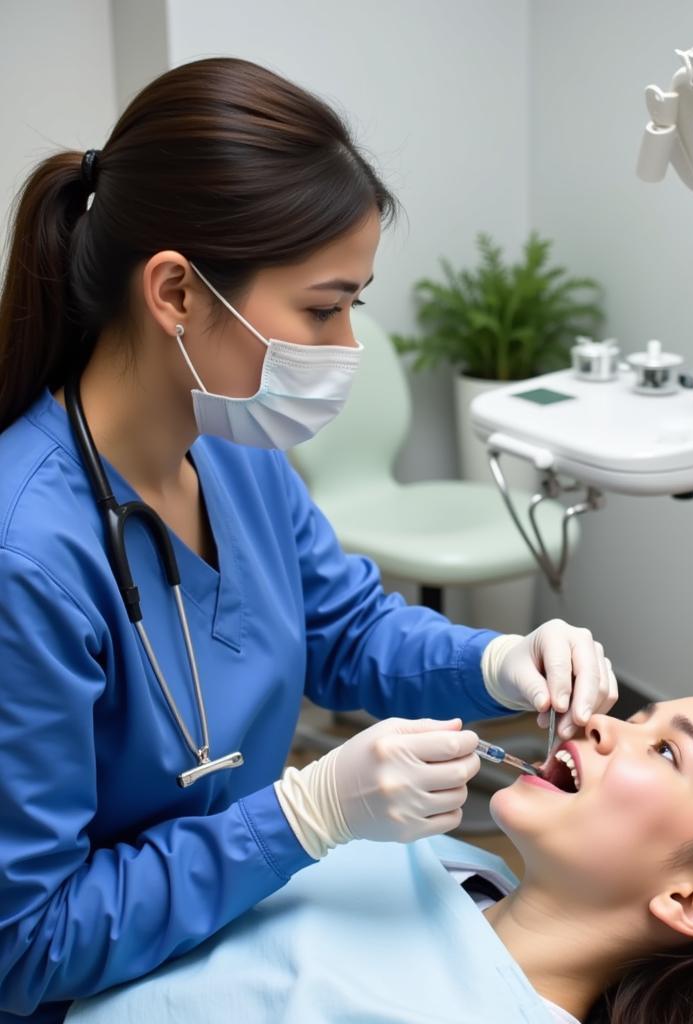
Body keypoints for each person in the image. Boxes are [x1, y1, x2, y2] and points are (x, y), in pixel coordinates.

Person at [0, 57, 618, 1023]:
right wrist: (301, 816)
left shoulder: (230, 447)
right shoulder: (26, 557)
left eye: (353, 308)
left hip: (226, 940)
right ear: (176, 294)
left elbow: (345, 632)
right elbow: (25, 945)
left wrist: (500, 661)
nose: (346, 352)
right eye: (322, 308)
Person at [64, 696, 693, 1024]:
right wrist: (305, 812)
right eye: (638, 713)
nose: (602, 721)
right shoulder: (442, 862)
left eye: (664, 751)